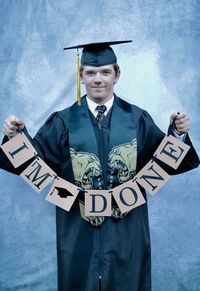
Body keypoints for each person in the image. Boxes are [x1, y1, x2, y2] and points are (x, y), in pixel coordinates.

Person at [1, 41, 199, 291]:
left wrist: (177, 135)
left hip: (127, 225)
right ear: (80, 76)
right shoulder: (63, 121)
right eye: (91, 72)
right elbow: (36, 161)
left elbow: (164, 162)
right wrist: (15, 137)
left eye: (105, 72)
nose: (98, 79)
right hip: (78, 225)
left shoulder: (137, 119)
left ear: (117, 75)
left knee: (128, 280)